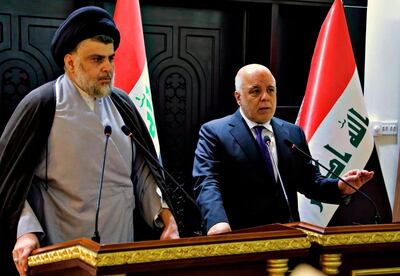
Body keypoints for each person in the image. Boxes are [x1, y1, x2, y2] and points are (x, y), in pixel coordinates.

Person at [0, 6, 181, 276]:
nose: (108, 67)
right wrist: (25, 232)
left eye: (111, 58)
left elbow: (143, 173)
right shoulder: (43, 104)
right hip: (63, 255)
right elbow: (11, 181)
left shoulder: (123, 104)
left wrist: (167, 220)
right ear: (70, 62)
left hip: (122, 251)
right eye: (97, 59)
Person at [192, 63, 374, 235]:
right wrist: (217, 222)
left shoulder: (292, 133)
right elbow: (207, 182)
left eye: (270, 90)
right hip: (240, 236)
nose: (265, 97)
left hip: (288, 235)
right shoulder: (215, 132)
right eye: (255, 91)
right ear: (238, 97)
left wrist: (340, 187)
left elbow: (310, 181)